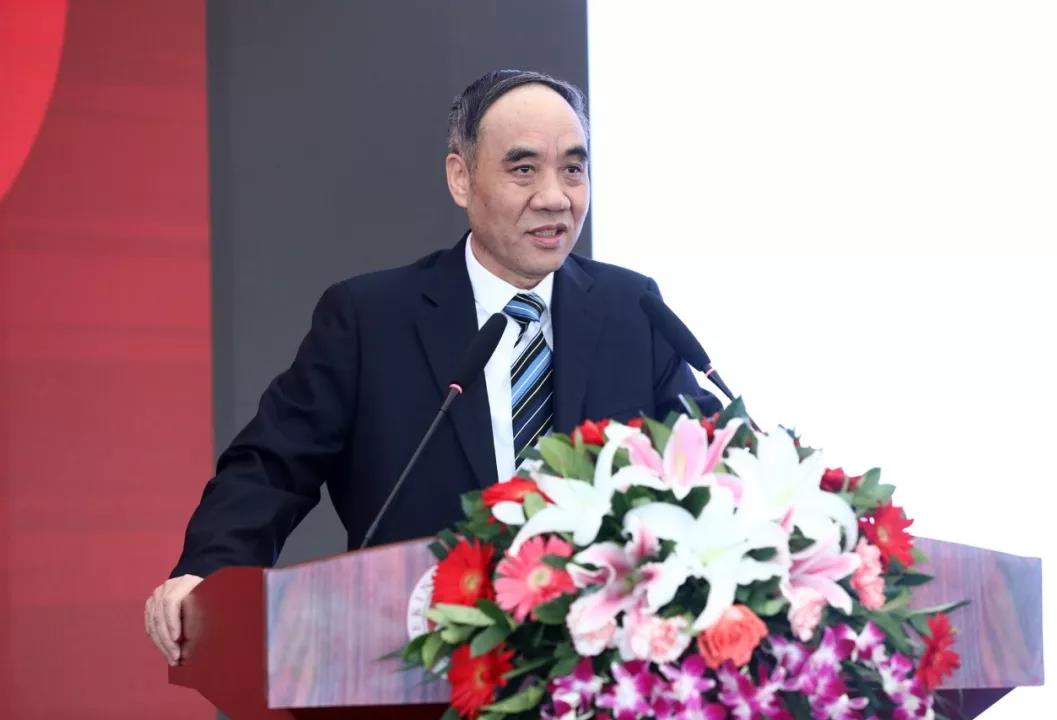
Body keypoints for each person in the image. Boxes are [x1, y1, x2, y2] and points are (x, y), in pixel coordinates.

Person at [144, 69, 720, 665]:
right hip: (421, 663)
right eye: (524, 169)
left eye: (573, 169)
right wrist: (207, 573)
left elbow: (708, 461)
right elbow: (272, 467)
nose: (556, 196)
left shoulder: (633, 310)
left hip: (604, 666)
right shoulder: (372, 320)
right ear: (461, 178)